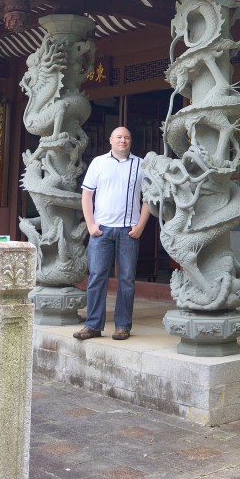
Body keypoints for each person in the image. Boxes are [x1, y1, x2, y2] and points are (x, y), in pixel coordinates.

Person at [73, 126, 151, 342]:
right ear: (110, 140)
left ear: (131, 141)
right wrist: (90, 225)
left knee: (126, 279)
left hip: (129, 230)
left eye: (127, 137)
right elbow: (87, 195)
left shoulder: (141, 165)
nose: (123, 141)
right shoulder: (98, 163)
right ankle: (93, 325)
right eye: (119, 137)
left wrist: (141, 226)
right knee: (97, 277)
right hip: (101, 230)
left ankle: (123, 326)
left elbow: (149, 198)